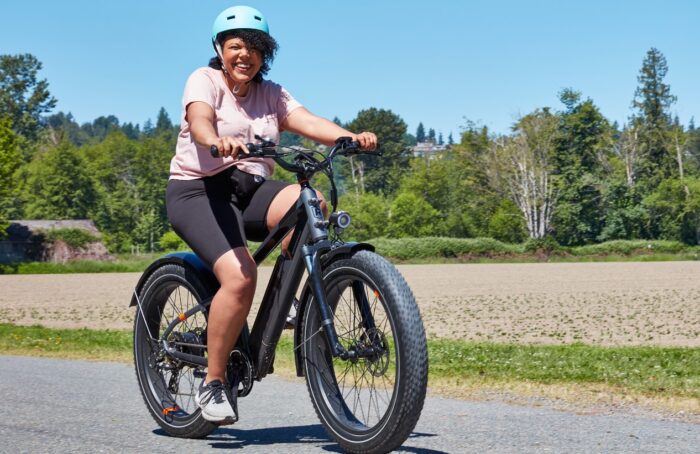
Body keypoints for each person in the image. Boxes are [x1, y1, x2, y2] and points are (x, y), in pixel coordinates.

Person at [166, 5, 378, 423]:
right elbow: (200, 120)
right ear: (219, 50)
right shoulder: (203, 80)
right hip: (198, 192)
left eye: (254, 48)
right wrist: (216, 142)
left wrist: (350, 136)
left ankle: (297, 299)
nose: (244, 55)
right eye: (235, 46)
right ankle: (212, 383)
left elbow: (307, 121)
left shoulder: (272, 94)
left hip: (249, 190)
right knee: (241, 277)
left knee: (309, 201)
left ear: (266, 55)